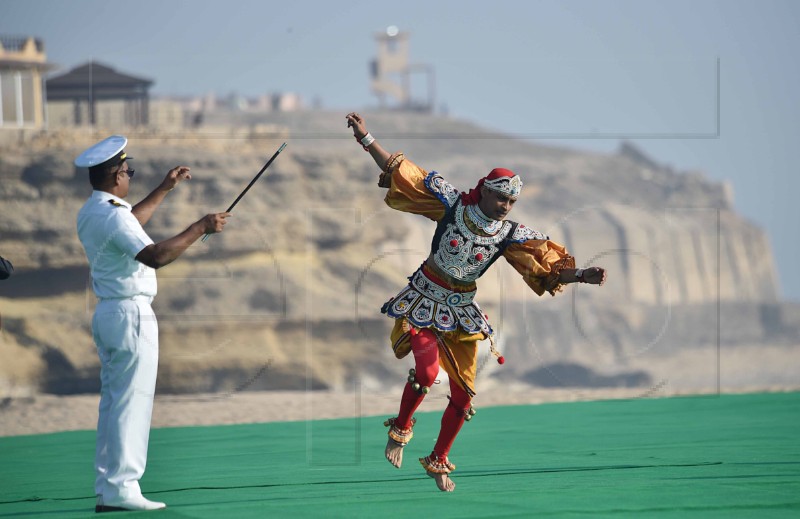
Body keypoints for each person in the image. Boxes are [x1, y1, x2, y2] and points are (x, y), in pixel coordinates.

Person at [345, 112, 607, 492]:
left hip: (462, 311)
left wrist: (581, 274)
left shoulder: (511, 234)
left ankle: (438, 459)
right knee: (427, 373)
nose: (505, 206)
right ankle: (400, 429)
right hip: (423, 298)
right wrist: (366, 138)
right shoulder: (452, 204)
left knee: (464, 397)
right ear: (484, 190)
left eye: (512, 201)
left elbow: (546, 268)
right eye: (501, 197)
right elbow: (404, 174)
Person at [75, 135, 230, 512]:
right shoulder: (112, 213)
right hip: (131, 316)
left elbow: (129, 223)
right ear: (116, 176)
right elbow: (156, 255)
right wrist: (200, 227)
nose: (130, 176)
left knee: (114, 402)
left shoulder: (94, 210)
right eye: (129, 171)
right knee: (132, 402)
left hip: (110, 313)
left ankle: (109, 485)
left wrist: (164, 188)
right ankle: (123, 488)